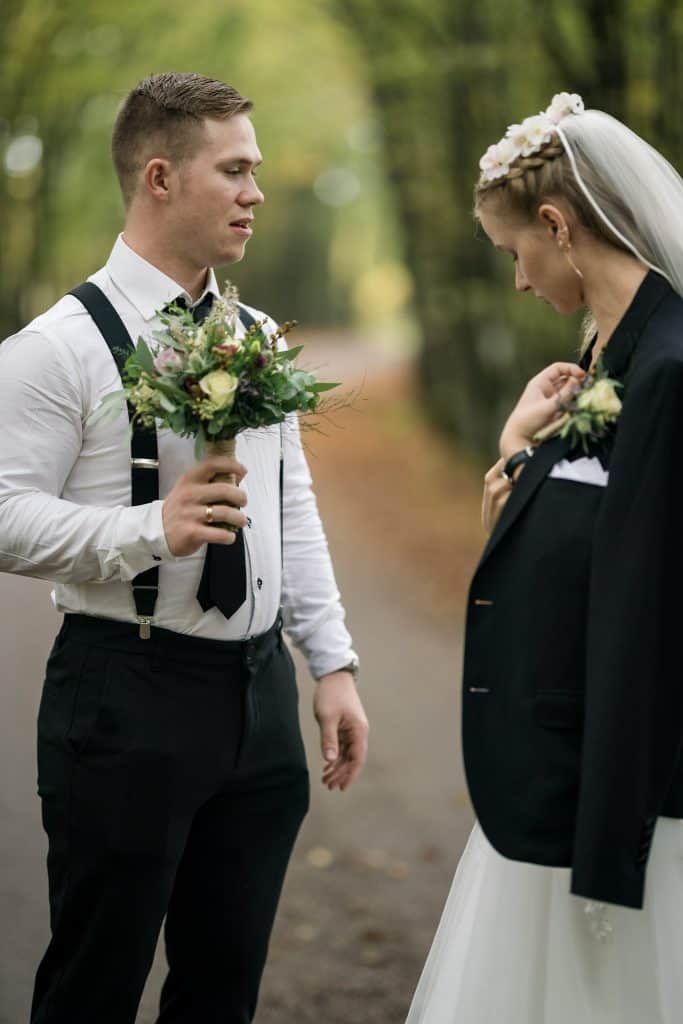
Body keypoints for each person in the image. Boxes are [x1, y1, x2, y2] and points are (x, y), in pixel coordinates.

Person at [0, 72, 369, 1024]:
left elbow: (292, 507)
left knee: (222, 990)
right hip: (125, 695)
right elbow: (2, 514)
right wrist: (145, 529)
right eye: (235, 171)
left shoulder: (254, 336)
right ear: (160, 177)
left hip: (259, 704)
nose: (256, 192)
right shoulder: (56, 348)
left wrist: (329, 663)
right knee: (94, 984)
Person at [406, 92, 683, 1023]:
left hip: (623, 779)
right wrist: (518, 455)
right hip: (557, 758)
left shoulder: (670, 369)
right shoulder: (606, 357)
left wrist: (608, 833)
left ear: (557, 226)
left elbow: (646, 605)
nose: (519, 282)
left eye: (514, 252)